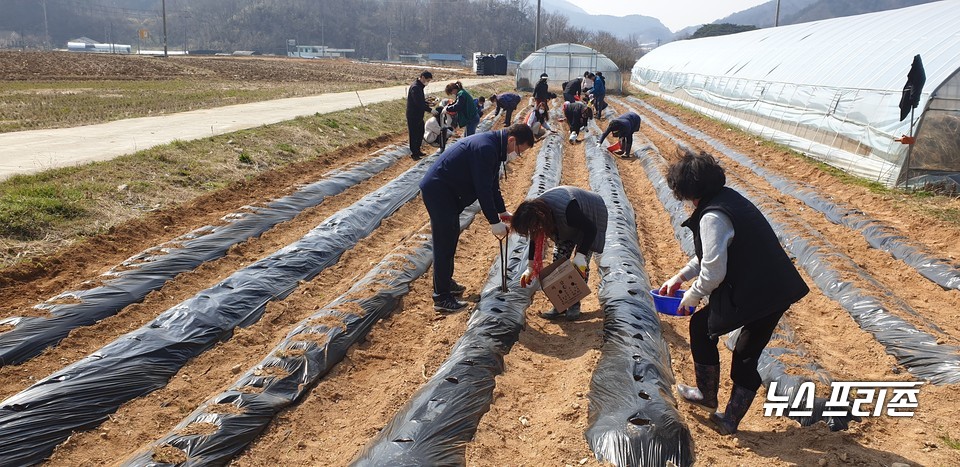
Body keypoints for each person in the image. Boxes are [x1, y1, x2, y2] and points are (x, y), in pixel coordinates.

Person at [659, 150, 809, 435]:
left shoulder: (713, 215)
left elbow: (714, 271)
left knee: (732, 345)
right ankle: (714, 402)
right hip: (766, 284)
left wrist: (692, 296)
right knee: (736, 346)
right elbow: (711, 255)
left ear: (689, 190)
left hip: (764, 291)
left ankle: (721, 410)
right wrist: (680, 278)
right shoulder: (726, 200)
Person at [420, 124, 535, 312]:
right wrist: (494, 222)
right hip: (439, 192)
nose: (517, 155)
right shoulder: (486, 148)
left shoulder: (494, 147)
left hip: (447, 193)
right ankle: (441, 297)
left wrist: (502, 212)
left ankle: (446, 283)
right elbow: (483, 190)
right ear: (512, 140)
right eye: (519, 151)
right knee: (444, 243)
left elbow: (492, 185)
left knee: (451, 237)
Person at [513, 186, 607, 321]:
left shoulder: (567, 211)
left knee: (579, 266)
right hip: (565, 225)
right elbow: (534, 237)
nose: (535, 230)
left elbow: (590, 229)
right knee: (558, 262)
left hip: (591, 216)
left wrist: (580, 255)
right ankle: (560, 303)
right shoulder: (536, 215)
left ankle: (574, 304)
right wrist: (530, 267)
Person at [406, 71, 434, 161]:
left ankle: (417, 150)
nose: (427, 82)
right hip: (413, 115)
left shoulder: (420, 87)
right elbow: (418, 103)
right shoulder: (415, 87)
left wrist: (427, 103)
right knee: (414, 134)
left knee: (420, 132)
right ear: (422, 77)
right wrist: (430, 110)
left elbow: (421, 101)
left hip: (418, 115)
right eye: (427, 80)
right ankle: (414, 153)